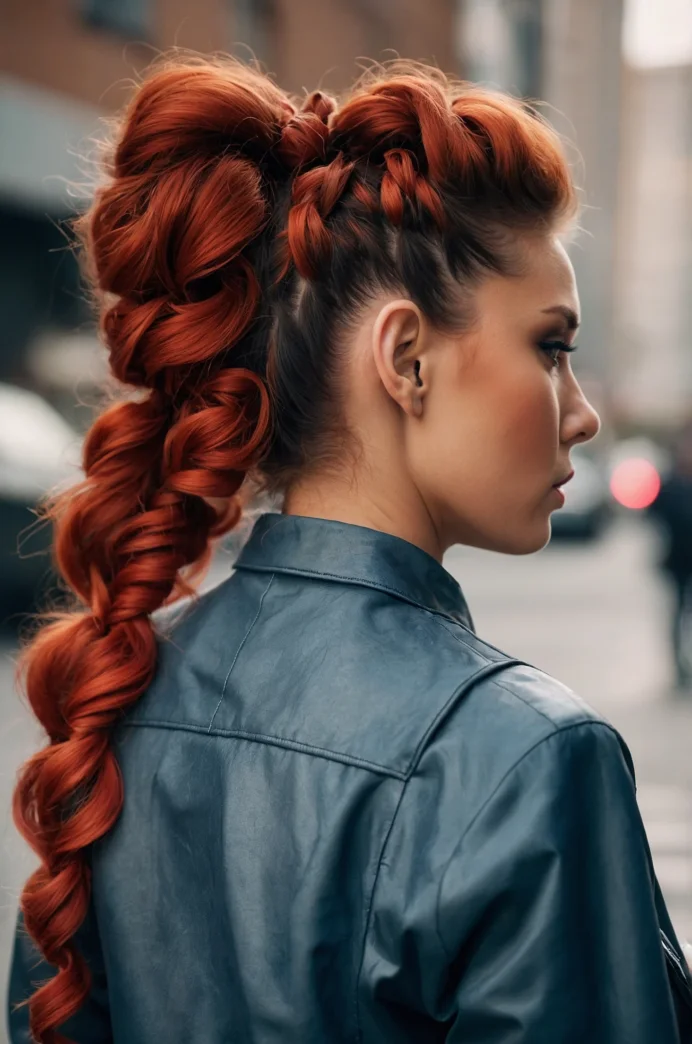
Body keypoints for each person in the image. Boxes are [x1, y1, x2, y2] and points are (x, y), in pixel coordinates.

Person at [7, 55, 692, 1044]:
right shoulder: (526, 760)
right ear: (406, 359)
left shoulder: (120, 702)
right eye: (549, 346)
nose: (579, 414)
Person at [649, 420, 692, 690]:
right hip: (678, 560)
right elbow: (653, 513)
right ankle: (679, 666)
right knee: (677, 613)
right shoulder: (669, 481)